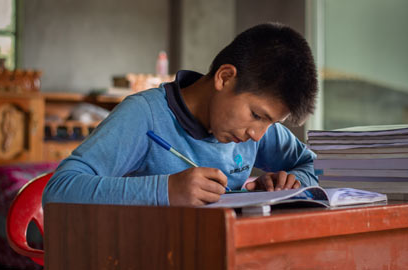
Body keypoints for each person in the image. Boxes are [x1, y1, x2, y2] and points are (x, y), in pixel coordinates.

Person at [42, 23, 318, 206]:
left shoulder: (256, 131)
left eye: (271, 123)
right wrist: (166, 191)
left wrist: (291, 184)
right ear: (225, 77)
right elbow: (59, 190)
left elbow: (316, 166)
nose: (258, 135)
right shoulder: (145, 116)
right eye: (257, 115)